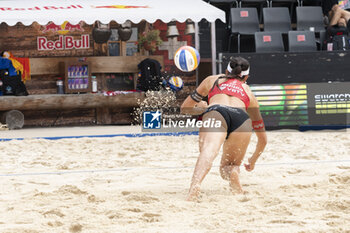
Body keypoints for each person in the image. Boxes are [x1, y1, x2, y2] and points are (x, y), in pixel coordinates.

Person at [180, 57, 267, 201]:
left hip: (217, 111)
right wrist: (253, 160)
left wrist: (203, 108)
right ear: (246, 77)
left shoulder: (212, 80)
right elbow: (263, 139)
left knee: (208, 150)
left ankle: (194, 187)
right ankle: (233, 172)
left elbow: (185, 108)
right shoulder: (249, 93)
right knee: (227, 167)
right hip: (242, 120)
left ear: (226, 71)